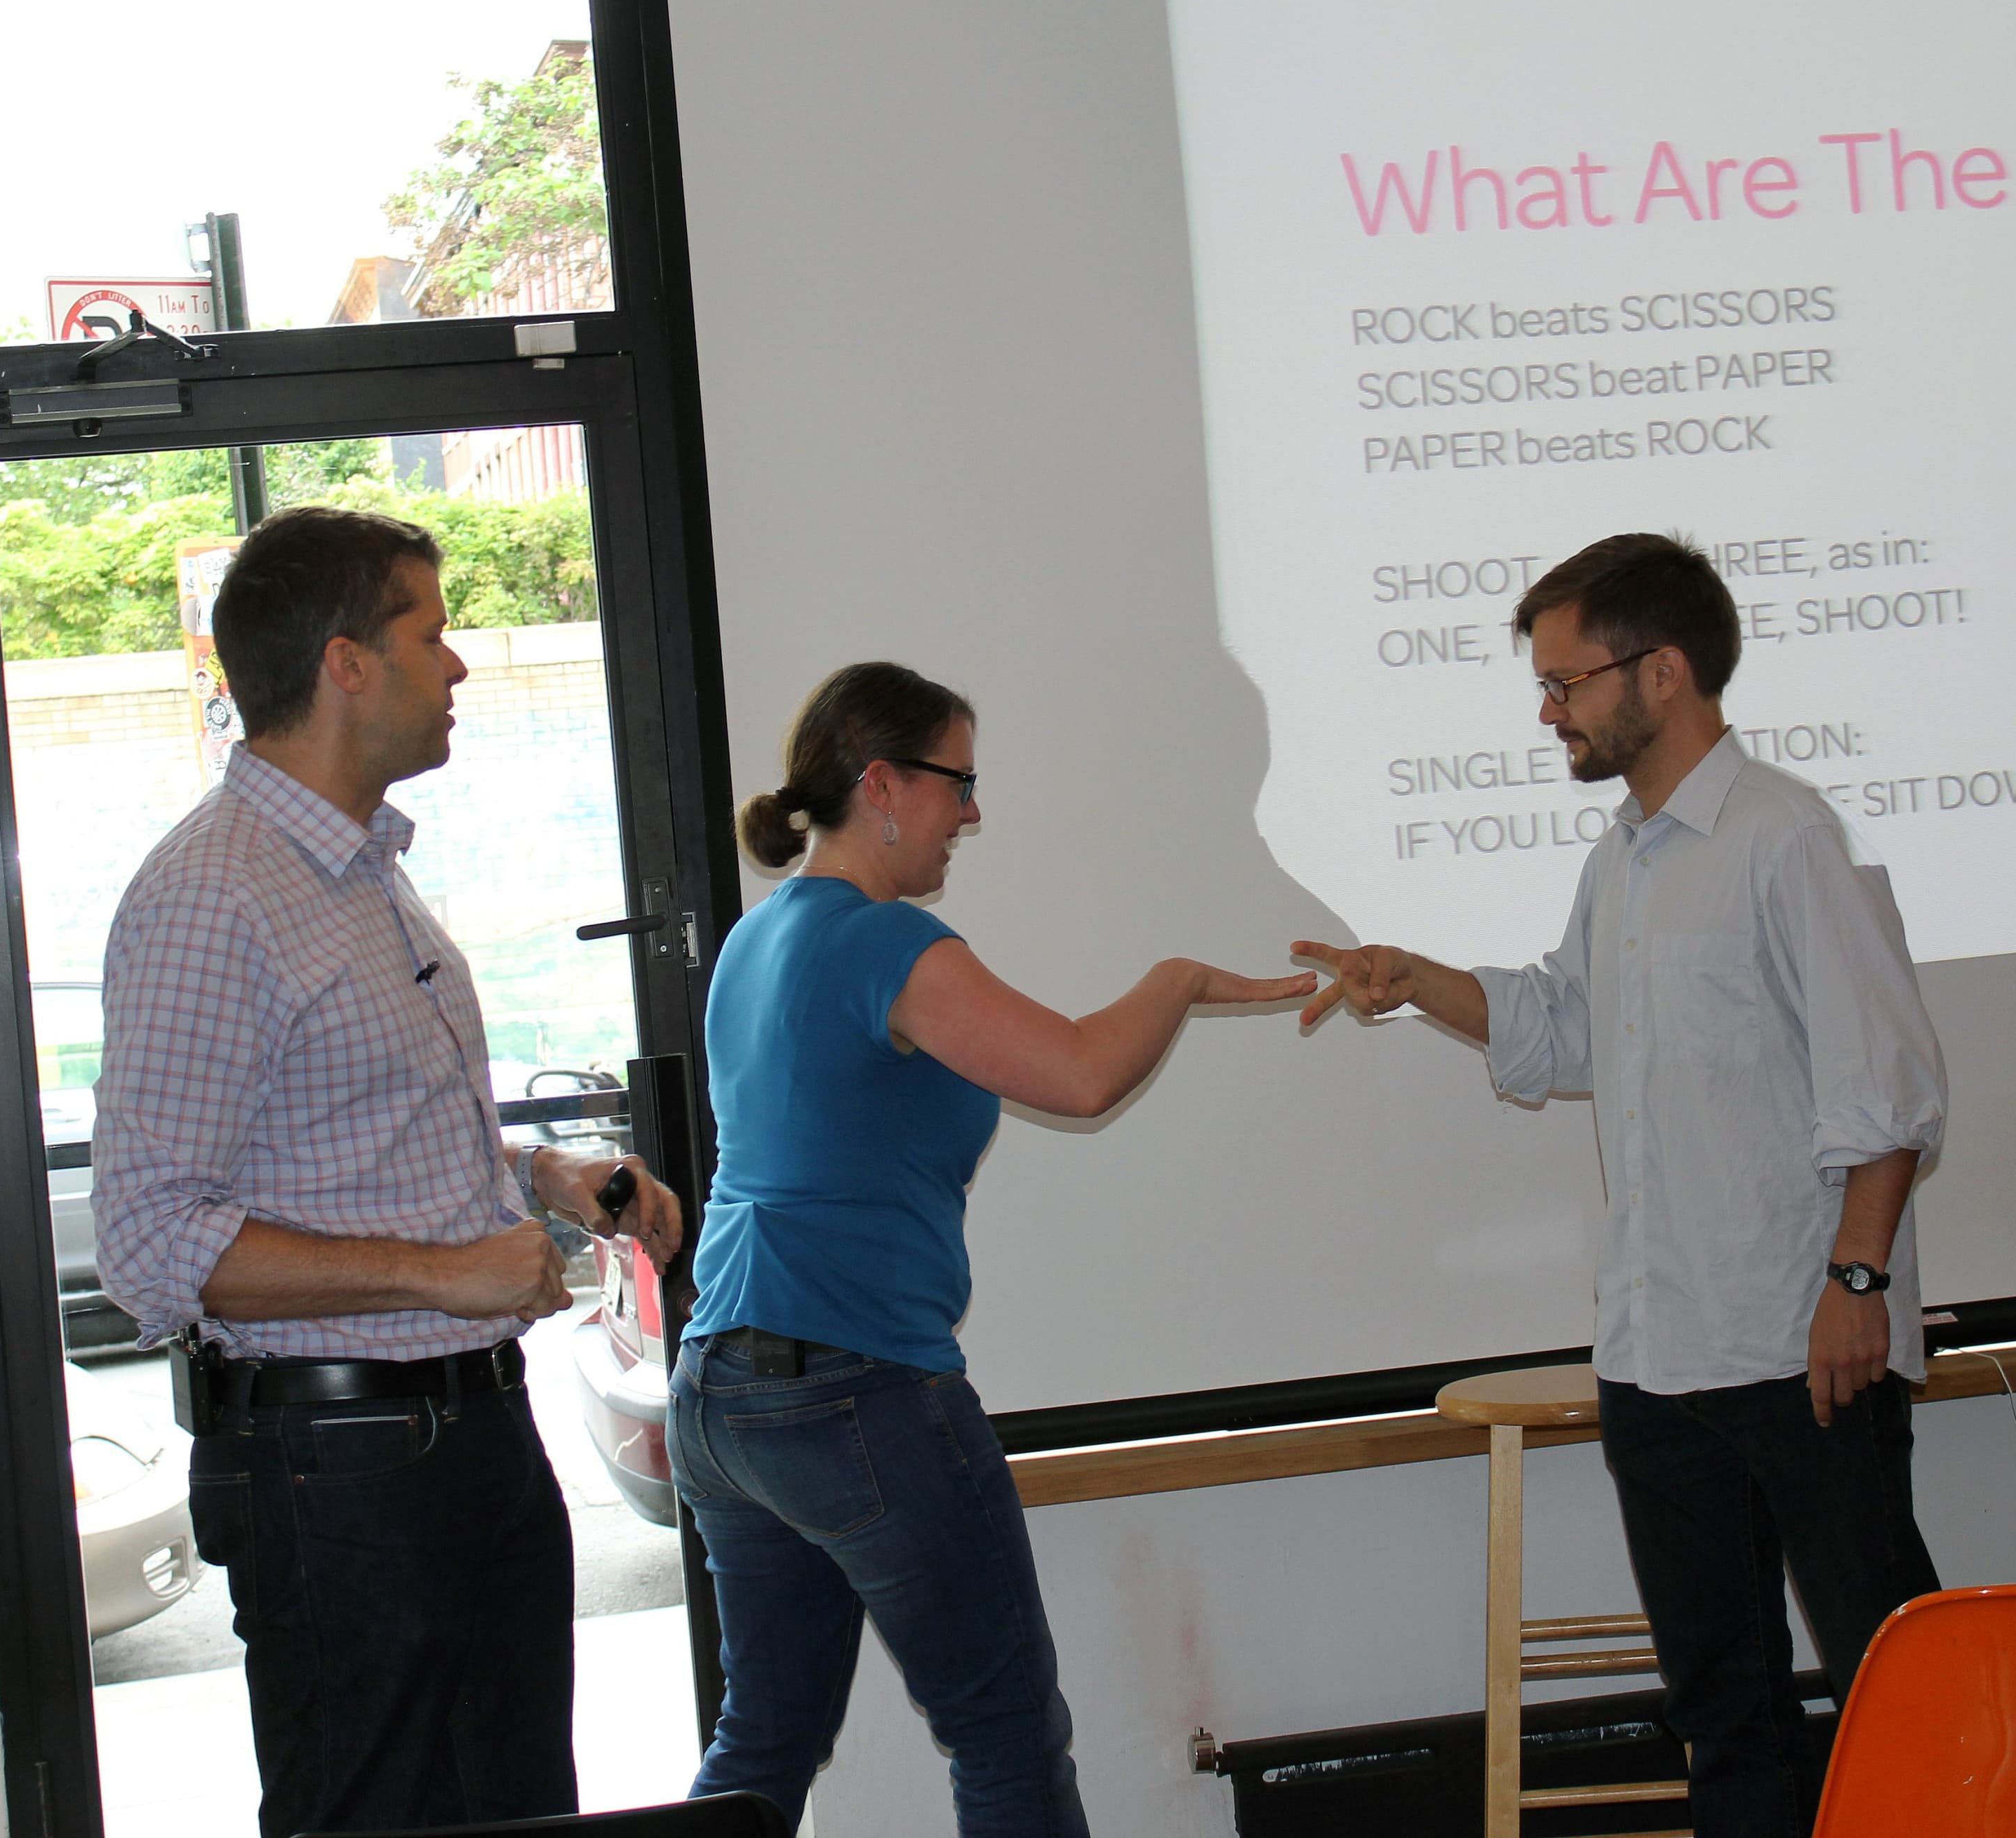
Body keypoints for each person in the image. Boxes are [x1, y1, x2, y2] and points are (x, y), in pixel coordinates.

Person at [1295, 533, 1948, 1838]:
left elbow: (1889, 1089)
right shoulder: (1625, 859)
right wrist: (1415, 977)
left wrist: (1857, 1283)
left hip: (1802, 1345)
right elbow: (1567, 1028)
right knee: (1724, 1713)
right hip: (1659, 1358)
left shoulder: (1787, 837)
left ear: (1662, 672)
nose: (1549, 713)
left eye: (1565, 681)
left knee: (1901, 1690)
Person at [92, 505, 683, 1838]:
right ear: (347, 662)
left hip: (461, 1442)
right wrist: (446, 1275)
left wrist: (540, 1170)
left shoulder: (360, 868)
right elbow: (148, 1240)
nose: (460, 664)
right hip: (339, 1470)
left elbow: (367, 1130)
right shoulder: (213, 894)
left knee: (516, 1809)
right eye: (433, 630)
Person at [673, 661, 1314, 1836]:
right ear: (882, 784)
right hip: (854, 1393)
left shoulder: (756, 943)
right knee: (1006, 1733)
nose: (971, 812)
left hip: (722, 1394)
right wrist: (1177, 981)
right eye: (958, 783)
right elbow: (1078, 1073)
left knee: (762, 1738)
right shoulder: (884, 944)